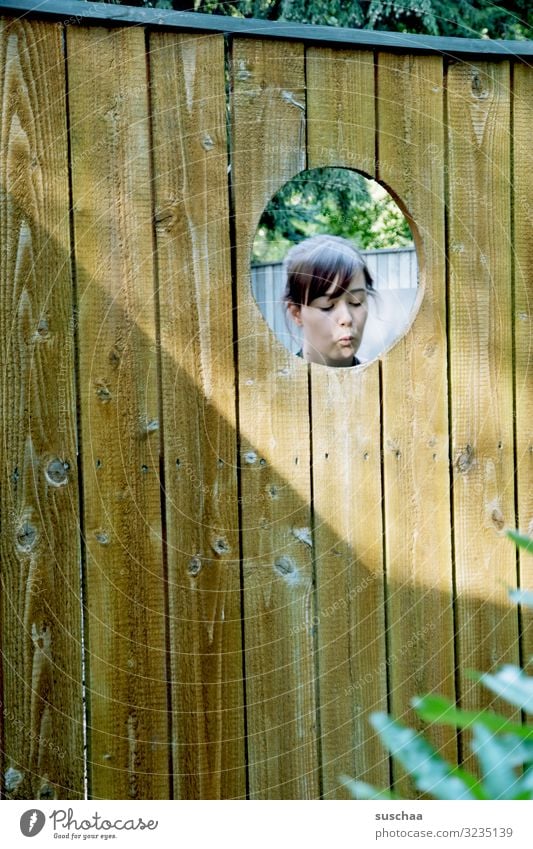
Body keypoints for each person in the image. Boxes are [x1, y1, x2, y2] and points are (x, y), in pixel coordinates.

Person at [283, 234, 374, 367]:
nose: (346, 319)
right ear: (296, 313)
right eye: (327, 306)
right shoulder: (272, 386)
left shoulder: (384, 381)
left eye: (356, 302)